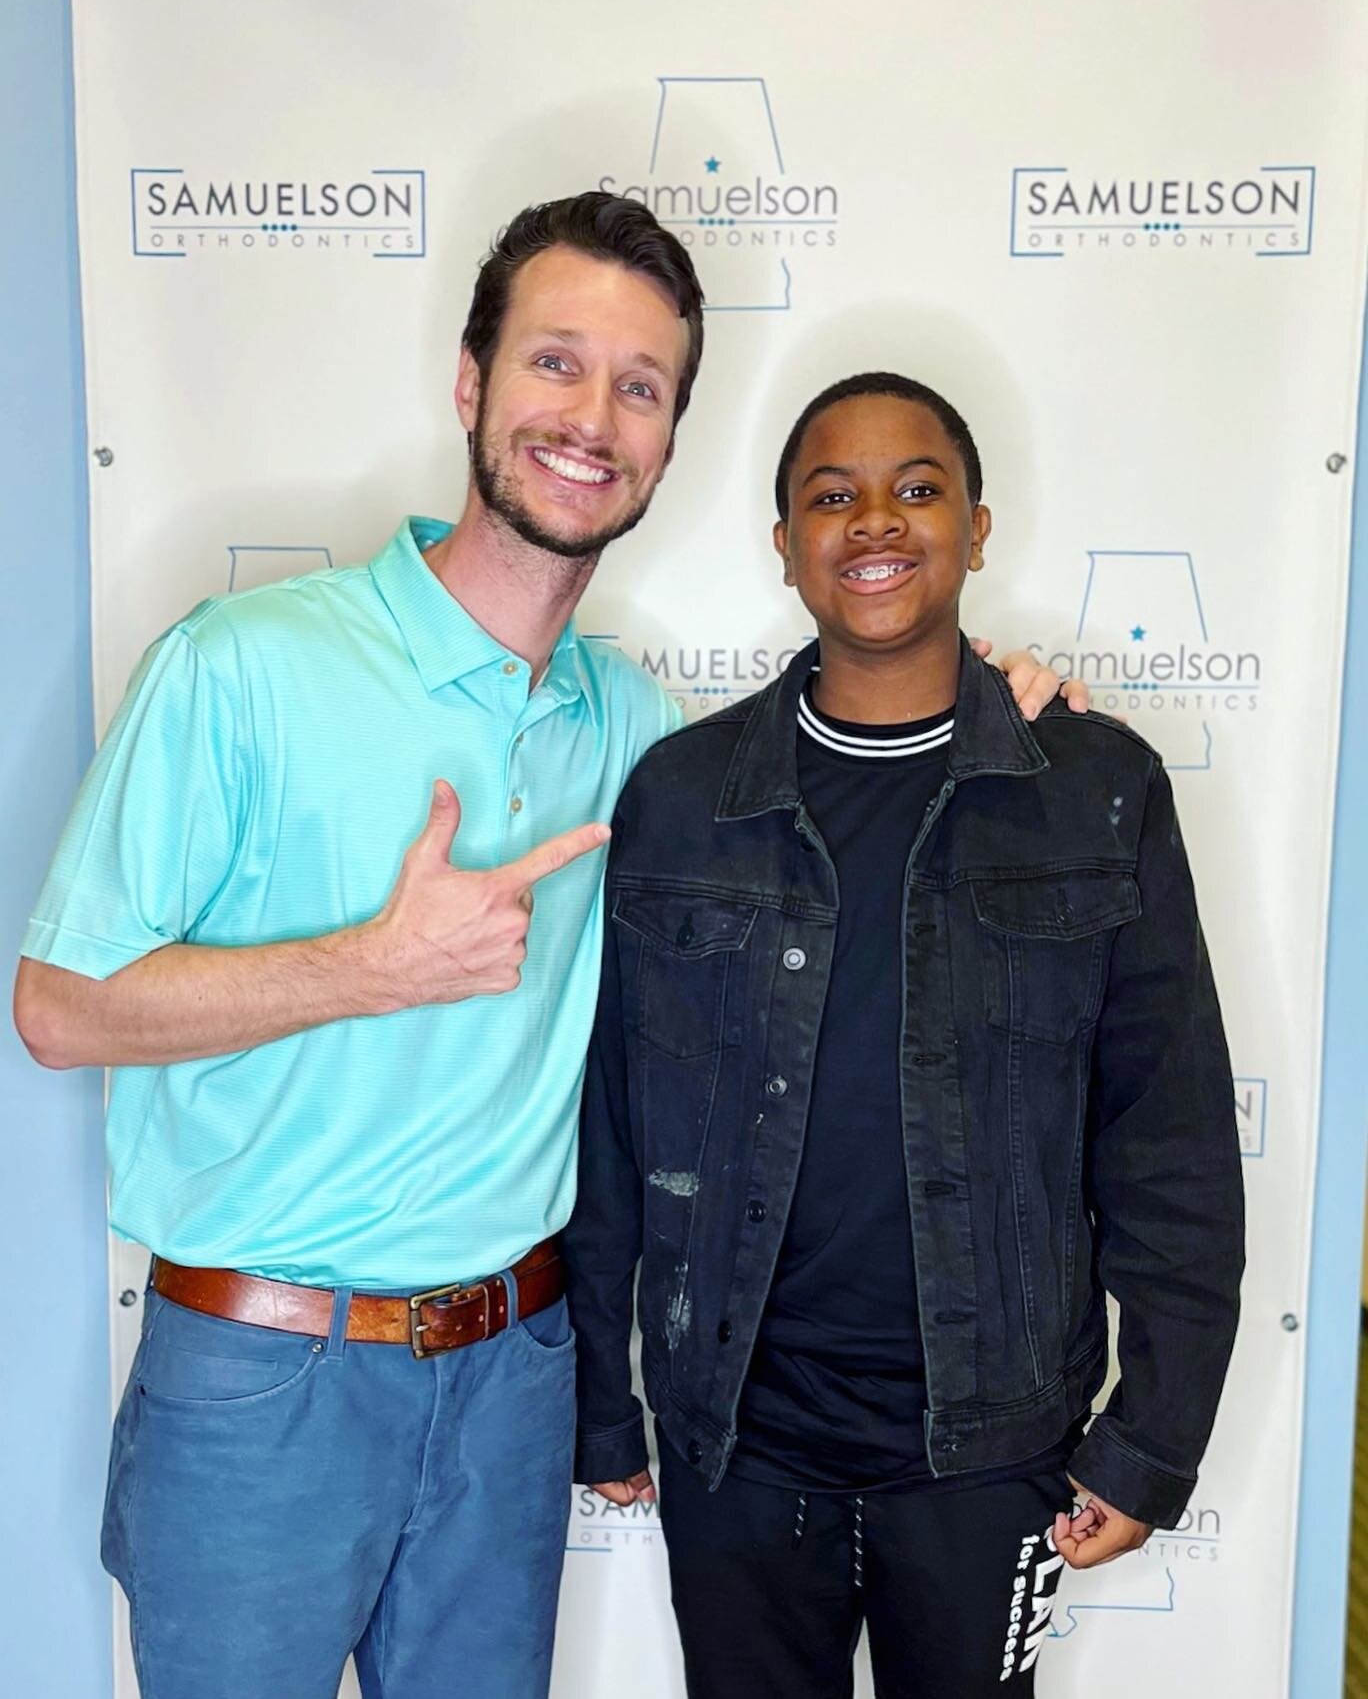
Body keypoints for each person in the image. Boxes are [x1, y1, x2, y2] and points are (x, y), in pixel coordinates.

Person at [14, 190, 1081, 1699]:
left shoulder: (642, 736)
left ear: (666, 441)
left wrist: (989, 704)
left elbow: (848, 755)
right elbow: (56, 1008)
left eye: (640, 387)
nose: (593, 416)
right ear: (471, 383)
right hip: (265, 1375)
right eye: (555, 364)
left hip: (515, 1371)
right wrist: (364, 963)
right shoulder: (242, 666)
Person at [565, 371, 1244, 1699]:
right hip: (740, 1453)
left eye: (916, 488)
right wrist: (605, 1393)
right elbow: (612, 1131)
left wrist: (1152, 1433)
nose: (875, 519)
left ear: (978, 526)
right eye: (833, 494)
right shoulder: (684, 800)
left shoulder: (1097, 790)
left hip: (995, 1457)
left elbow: (1170, 1140)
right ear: (784, 546)